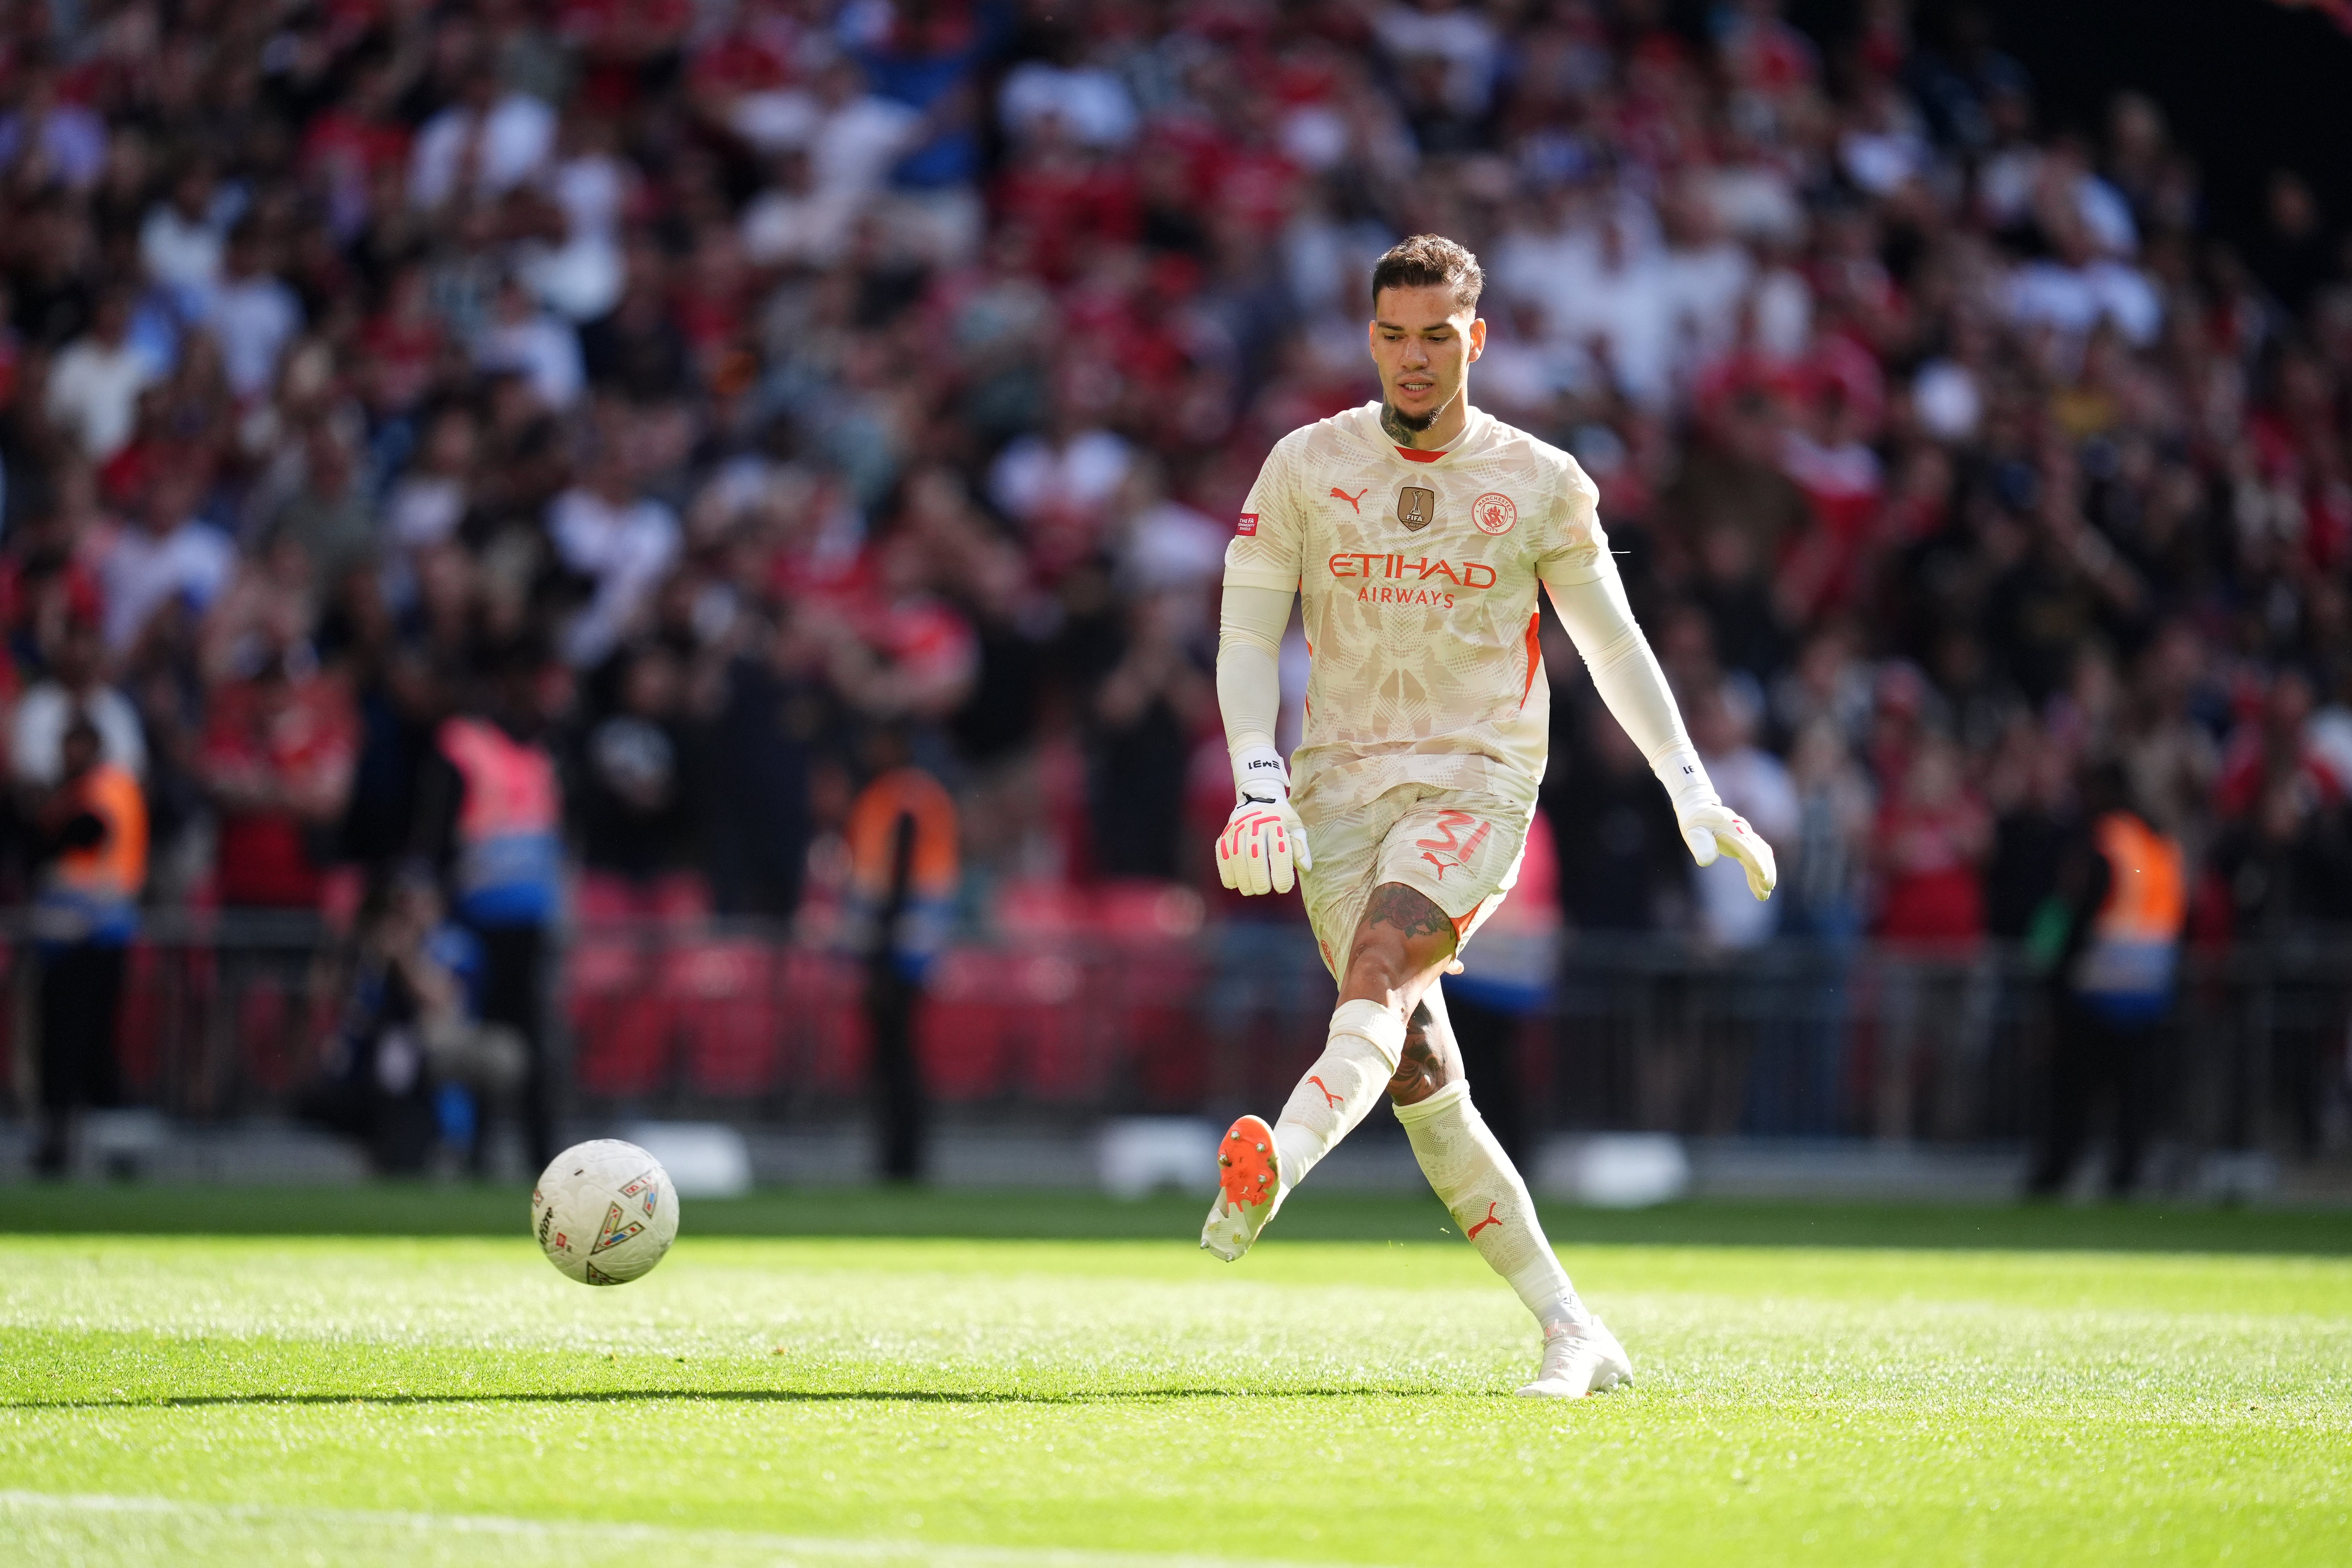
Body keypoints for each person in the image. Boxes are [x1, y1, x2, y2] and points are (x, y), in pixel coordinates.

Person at [1200, 236, 1778, 1397]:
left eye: (1436, 335)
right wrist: (1256, 776)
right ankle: (1574, 1330)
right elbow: (1246, 633)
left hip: (1475, 777)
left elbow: (1611, 642)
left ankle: (1275, 1159)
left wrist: (1689, 785)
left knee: (1381, 961)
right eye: (1393, 334)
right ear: (1371, 339)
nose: (1414, 357)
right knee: (1418, 1076)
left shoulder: (1540, 481)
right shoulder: (1306, 466)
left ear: (1476, 338)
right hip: (1336, 790)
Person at [2027, 762, 2187, 1198]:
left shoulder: (2106, 843)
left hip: (2099, 988)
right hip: (2150, 987)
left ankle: (2056, 1173)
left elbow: (2078, 914)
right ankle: (2126, 1175)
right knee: (2133, 1095)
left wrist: (2050, 974)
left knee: (2073, 1092)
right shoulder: (2159, 844)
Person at [27, 715, 147, 1176]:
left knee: (82, 1044)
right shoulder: (100, 788)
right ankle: (96, 1147)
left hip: (91, 930)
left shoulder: (99, 790)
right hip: (79, 933)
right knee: (75, 1044)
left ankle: (105, 1148)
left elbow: (85, 837)